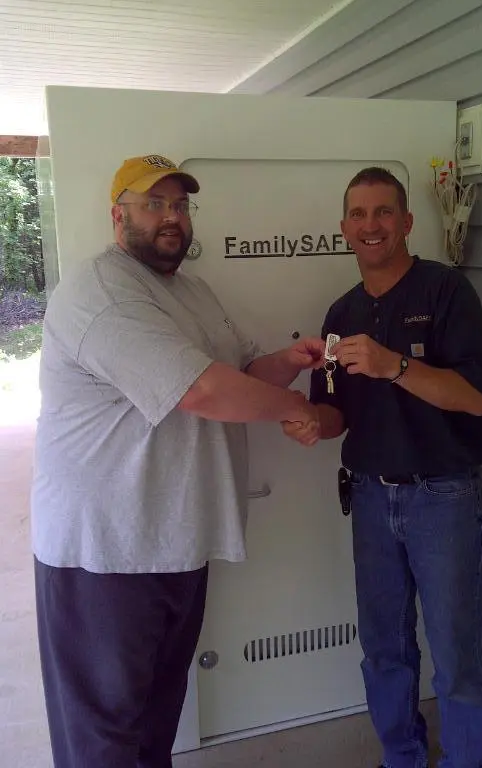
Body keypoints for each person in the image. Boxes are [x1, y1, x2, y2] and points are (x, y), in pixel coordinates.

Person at [31, 154, 323, 768]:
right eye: (154, 204)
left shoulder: (192, 290)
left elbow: (239, 373)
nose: (172, 217)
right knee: (104, 736)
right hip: (104, 554)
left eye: (181, 205)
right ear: (118, 217)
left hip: (174, 542)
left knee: (156, 720)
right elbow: (201, 391)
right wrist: (297, 410)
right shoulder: (101, 292)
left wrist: (288, 362)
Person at [284, 166, 482, 768]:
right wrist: (310, 421)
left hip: (443, 498)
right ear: (344, 228)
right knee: (383, 649)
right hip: (372, 499)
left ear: (405, 222)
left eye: (383, 212)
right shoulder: (341, 313)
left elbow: (476, 399)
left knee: (455, 655)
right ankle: (401, 758)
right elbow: (335, 413)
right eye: (358, 214)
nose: (370, 224)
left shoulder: (446, 291)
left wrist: (394, 366)